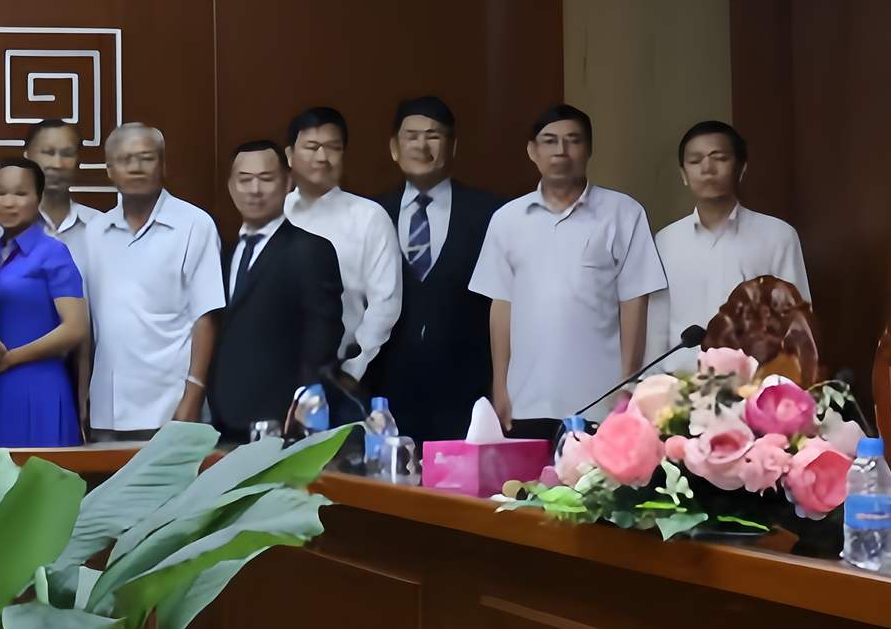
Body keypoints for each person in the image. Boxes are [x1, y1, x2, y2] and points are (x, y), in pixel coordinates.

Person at [469, 105, 668, 438]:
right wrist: (500, 386)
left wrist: (628, 381)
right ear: (532, 151)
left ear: (588, 149)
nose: (561, 150)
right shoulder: (506, 219)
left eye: (573, 140)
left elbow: (634, 299)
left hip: (600, 402)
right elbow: (501, 305)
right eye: (549, 141)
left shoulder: (623, 212)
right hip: (525, 400)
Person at [70, 122, 226, 443]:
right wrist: (83, 393)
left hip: (172, 406)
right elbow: (88, 325)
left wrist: (194, 395)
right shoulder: (95, 231)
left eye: (146, 158)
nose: (136, 167)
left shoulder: (194, 224)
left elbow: (207, 315)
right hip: (107, 409)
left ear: (163, 165)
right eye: (125, 159)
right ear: (110, 169)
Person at [371, 97, 505, 445]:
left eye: (433, 135)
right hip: (385, 395)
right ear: (394, 148)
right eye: (411, 136)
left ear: (453, 146)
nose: (421, 145)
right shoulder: (371, 214)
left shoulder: (493, 214)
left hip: (469, 395)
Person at [645, 121, 811, 368]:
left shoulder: (779, 236)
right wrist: (650, 382)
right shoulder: (665, 241)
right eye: (695, 161)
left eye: (719, 158)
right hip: (682, 380)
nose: (707, 168)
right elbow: (656, 328)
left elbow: (798, 324)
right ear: (684, 175)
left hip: (756, 381)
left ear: (741, 168)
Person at [207, 141, 343, 439]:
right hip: (222, 419)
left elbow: (322, 334)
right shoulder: (222, 254)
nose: (254, 190)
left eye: (266, 178)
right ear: (231, 187)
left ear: (288, 182)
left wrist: (300, 406)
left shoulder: (310, 249)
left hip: (281, 420)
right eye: (244, 180)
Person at [281, 105, 402, 384]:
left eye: (333, 148)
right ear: (289, 155)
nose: (322, 157)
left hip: (340, 371)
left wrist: (354, 368)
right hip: (273, 371)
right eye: (312, 147)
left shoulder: (369, 216)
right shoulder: (275, 214)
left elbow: (385, 304)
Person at [0, 159, 88, 448]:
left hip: (39, 385)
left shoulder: (54, 253)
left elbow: (75, 328)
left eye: (21, 193)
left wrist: (9, 359)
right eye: (0, 192)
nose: (9, 202)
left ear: (39, 197)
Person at [0, 118, 100, 247]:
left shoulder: (98, 224)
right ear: (27, 156)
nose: (57, 164)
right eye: (47, 152)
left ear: (78, 160)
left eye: (67, 154)